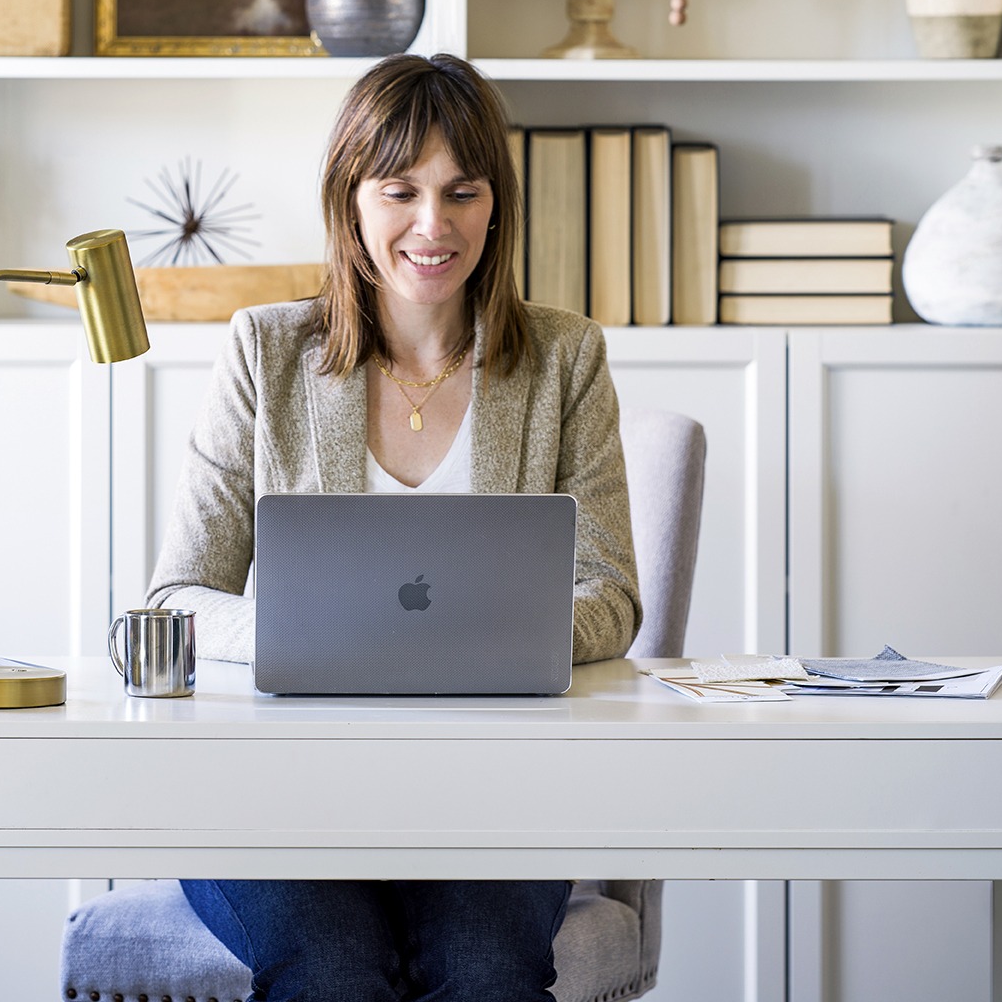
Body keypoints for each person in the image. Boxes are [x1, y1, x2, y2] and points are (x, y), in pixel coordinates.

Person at [147, 53, 643, 1002]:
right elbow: (176, 597)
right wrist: (307, 641)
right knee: (331, 970)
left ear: (495, 205)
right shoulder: (266, 351)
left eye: (462, 191)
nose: (433, 224)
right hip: (278, 797)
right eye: (399, 190)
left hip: (492, 798)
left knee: (486, 972)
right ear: (349, 202)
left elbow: (610, 595)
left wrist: (471, 644)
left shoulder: (563, 357)